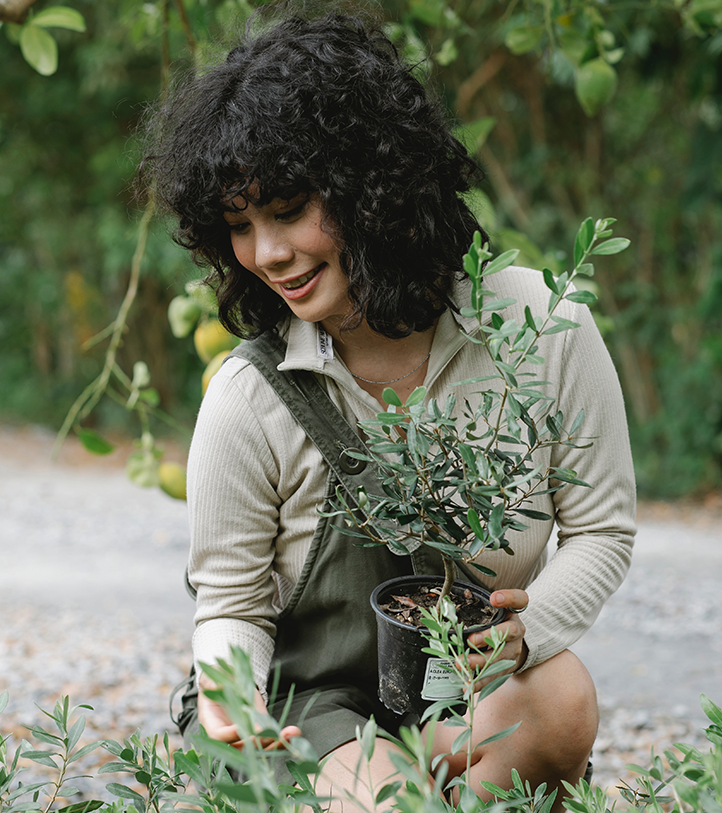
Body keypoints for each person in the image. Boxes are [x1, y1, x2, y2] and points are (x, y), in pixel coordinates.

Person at [147, 7, 636, 811]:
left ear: (372, 188)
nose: (267, 253)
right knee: (386, 802)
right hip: (310, 712)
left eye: (289, 208)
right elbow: (231, 604)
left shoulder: (541, 328)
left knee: (560, 697)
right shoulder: (249, 396)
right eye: (239, 225)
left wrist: (528, 630)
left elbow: (602, 530)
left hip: (461, 693)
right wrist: (231, 695)